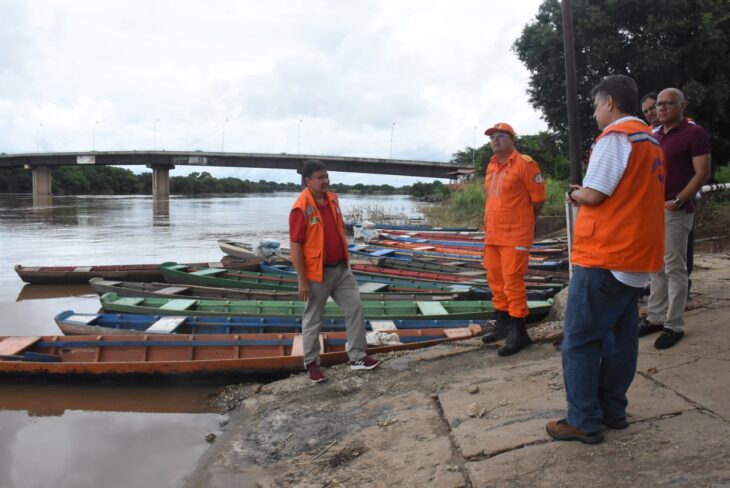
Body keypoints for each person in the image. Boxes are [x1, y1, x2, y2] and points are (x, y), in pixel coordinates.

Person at [546, 75, 666, 444]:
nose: (596, 113)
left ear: (610, 103)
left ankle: (583, 419)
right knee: (620, 338)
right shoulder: (651, 141)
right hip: (635, 257)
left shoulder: (616, 137)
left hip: (606, 256)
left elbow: (596, 194)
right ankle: (613, 410)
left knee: (580, 340)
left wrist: (576, 195)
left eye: (597, 105)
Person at [289, 159, 381, 383]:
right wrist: (302, 280)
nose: (326, 181)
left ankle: (358, 357)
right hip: (317, 274)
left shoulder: (332, 199)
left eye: (326, 176)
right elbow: (295, 245)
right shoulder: (300, 207)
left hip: (341, 269)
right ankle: (312, 365)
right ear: (308, 181)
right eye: (320, 178)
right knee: (313, 319)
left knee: (355, 308)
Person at [640, 88, 711, 349]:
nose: (661, 108)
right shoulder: (654, 135)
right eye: (659, 104)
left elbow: (702, 173)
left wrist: (680, 200)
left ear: (683, 105)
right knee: (655, 267)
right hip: (653, 210)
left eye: (669, 104)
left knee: (674, 267)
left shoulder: (693, 133)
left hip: (675, 210)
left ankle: (674, 324)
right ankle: (655, 317)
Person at [479, 122, 545, 356]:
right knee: (495, 280)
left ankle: (519, 331)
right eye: (492, 137)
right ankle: (502, 324)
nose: (495, 140)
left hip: (515, 234)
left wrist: (526, 222)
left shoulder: (525, 164)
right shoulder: (491, 165)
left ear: (512, 139)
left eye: (500, 136)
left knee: (512, 281)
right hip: (493, 234)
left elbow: (538, 200)